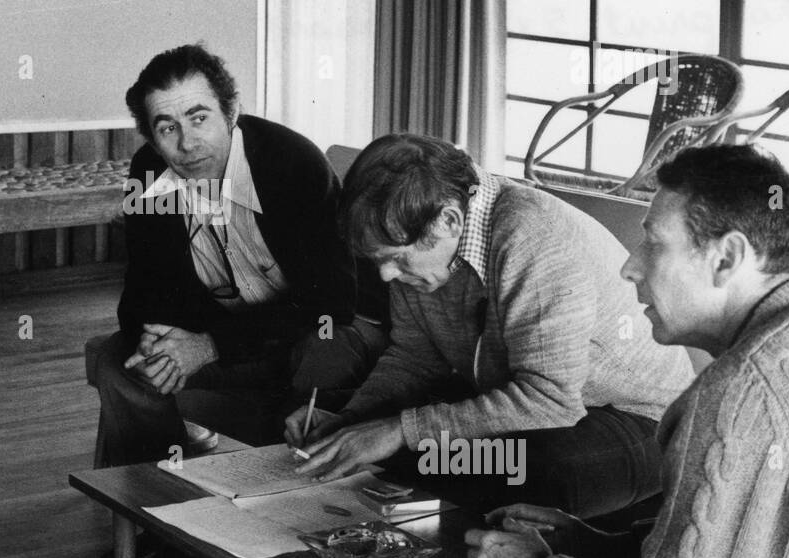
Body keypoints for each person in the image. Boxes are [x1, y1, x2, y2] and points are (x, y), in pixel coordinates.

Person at [466, 144, 789, 558]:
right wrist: (586, 542)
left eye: (653, 243)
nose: (630, 267)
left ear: (727, 258)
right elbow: (744, 553)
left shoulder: (743, 394)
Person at [286, 134, 696, 518]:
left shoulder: (532, 236)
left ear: (448, 221)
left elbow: (550, 401)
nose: (387, 276)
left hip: (641, 417)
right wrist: (351, 419)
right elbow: (413, 356)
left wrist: (397, 430)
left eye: (396, 258)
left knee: (526, 468)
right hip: (526, 394)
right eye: (378, 260)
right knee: (393, 436)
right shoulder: (417, 234)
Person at [90, 43, 385, 468]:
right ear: (152, 136)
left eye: (199, 118)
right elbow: (142, 290)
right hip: (241, 338)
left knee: (322, 353)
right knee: (120, 363)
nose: (187, 144)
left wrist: (208, 347)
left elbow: (332, 305)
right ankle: (160, 504)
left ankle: (295, 512)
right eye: (167, 127)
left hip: (329, 328)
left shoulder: (292, 163)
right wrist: (157, 341)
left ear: (231, 112)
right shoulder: (148, 172)